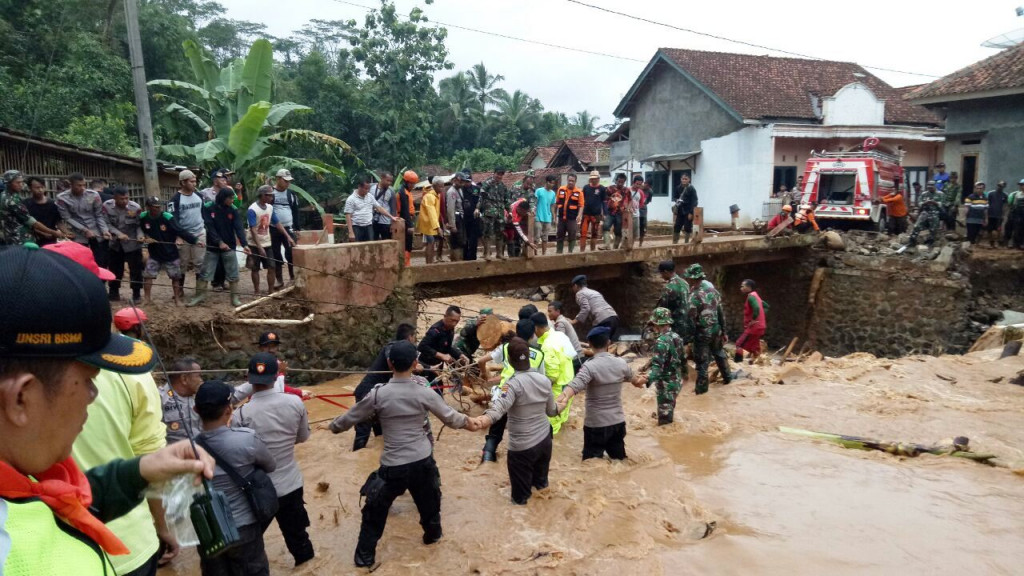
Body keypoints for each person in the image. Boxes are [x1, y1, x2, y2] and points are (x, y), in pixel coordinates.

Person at [0, 245, 214, 576]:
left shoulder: (23, 478)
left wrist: (140, 471)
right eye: (88, 380)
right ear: (21, 399)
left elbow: (51, 505)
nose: (93, 395)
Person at [60, 251, 169, 576]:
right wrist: (162, 527)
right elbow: (149, 458)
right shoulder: (132, 372)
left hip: (59, 548)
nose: (90, 393)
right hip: (130, 541)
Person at [330, 341, 474, 568]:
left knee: (374, 511)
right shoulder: (424, 392)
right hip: (422, 462)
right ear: (416, 363)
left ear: (389, 363)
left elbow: (349, 418)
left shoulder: (378, 394)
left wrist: (333, 426)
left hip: (393, 466)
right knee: (430, 505)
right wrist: (472, 422)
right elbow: (452, 418)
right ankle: (433, 538)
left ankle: (364, 557)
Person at [232, 353, 314, 568]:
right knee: (299, 539)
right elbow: (303, 437)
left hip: (260, 490)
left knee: (252, 543)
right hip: (291, 483)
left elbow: (240, 454)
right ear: (276, 377)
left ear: (248, 378)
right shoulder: (295, 402)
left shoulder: (241, 414)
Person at [194, 379, 275, 576]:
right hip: (244, 525)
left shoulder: (186, 448)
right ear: (229, 410)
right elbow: (270, 465)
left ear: (196, 410)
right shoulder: (247, 438)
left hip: (207, 529)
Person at [468, 338, 557, 505]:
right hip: (545, 441)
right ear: (529, 358)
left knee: (520, 502)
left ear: (508, 360)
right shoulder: (544, 381)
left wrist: (482, 420)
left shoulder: (512, 385)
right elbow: (552, 411)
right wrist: (565, 399)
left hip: (522, 448)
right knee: (542, 488)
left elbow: (498, 410)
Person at [555, 327, 639, 460]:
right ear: (609, 343)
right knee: (619, 461)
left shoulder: (590, 366)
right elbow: (636, 380)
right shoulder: (621, 363)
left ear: (589, 345)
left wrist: (563, 397)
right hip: (617, 423)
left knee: (591, 463)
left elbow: (576, 384)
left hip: (596, 425)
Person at [478, 320, 546, 463]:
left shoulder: (505, 347)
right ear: (533, 334)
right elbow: (541, 379)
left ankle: (487, 458)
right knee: (526, 433)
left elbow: (481, 360)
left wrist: (485, 375)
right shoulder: (539, 354)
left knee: (495, 432)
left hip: (504, 394)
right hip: (526, 399)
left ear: (516, 332)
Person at [351, 323, 418, 451]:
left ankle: (374, 461)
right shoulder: (392, 348)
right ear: (410, 337)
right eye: (414, 337)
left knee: (381, 433)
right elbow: (392, 359)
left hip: (380, 394)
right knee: (363, 433)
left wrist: (429, 368)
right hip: (368, 393)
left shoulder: (401, 351)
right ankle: (357, 457)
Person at [190, 188, 252, 307]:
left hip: (229, 247)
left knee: (233, 272)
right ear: (223, 198)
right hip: (213, 246)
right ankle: (199, 296)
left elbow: (238, 227)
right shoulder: (208, 207)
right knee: (205, 272)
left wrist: (245, 244)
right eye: (230, 198)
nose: (232, 200)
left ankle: (234, 298)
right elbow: (209, 226)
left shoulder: (233, 209)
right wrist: (219, 242)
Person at [140, 196, 199, 305]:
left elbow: (180, 230)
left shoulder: (167, 217)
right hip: (154, 252)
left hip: (170, 252)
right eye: (154, 207)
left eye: (159, 206)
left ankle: (177, 299)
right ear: (148, 207)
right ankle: (147, 299)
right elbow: (141, 230)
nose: (157, 209)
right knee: (148, 275)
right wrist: (145, 237)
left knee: (175, 277)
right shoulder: (143, 217)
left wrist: (195, 240)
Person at [684, 264, 732, 395]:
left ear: (692, 279)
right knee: (719, 354)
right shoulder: (713, 291)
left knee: (702, 363)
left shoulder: (693, 296)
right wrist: (724, 331)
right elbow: (721, 312)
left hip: (702, 333)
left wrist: (688, 338)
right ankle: (729, 379)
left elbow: (690, 320)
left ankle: (702, 392)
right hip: (716, 330)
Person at [531, 312, 575, 434]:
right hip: (569, 381)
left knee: (551, 424)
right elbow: (572, 355)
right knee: (562, 416)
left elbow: (552, 376)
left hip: (558, 387)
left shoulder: (547, 345)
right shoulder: (560, 335)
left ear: (536, 328)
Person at [643, 307, 687, 425]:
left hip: (666, 385)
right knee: (670, 410)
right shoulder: (677, 337)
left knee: (664, 425)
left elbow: (657, 368)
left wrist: (647, 380)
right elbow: (683, 359)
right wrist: (685, 374)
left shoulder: (661, 341)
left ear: (657, 324)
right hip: (676, 382)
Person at [56, 172, 110, 265]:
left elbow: (99, 215)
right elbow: (67, 218)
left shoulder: (94, 195)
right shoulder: (62, 198)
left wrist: (104, 230)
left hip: (96, 231)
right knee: (80, 261)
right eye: (79, 185)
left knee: (101, 261)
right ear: (71, 185)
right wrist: (84, 230)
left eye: (84, 185)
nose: (82, 188)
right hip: (78, 233)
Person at [247, 185, 293, 295]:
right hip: (254, 243)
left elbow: (277, 223)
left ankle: (271, 290)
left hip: (267, 242)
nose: (272, 198)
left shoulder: (270, 208)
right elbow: (253, 230)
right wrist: (259, 247)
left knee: (272, 266)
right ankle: (257, 291)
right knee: (255, 268)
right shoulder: (252, 210)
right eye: (269, 196)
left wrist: (288, 236)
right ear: (263, 195)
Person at [103, 187, 145, 302]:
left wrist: (140, 236)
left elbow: (139, 226)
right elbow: (106, 224)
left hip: (132, 244)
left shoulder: (135, 208)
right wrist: (118, 233)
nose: (125, 201)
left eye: (127, 198)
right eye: (121, 199)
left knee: (135, 270)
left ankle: (136, 294)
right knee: (115, 269)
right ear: (114, 198)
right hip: (115, 244)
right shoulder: (107, 206)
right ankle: (114, 292)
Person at [166, 170, 207, 287]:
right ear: (183, 182)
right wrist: (178, 236)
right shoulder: (175, 200)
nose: (194, 184)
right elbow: (173, 220)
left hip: (199, 233)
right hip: (183, 235)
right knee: (182, 263)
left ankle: (200, 290)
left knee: (200, 262)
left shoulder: (199, 196)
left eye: (195, 181)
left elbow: (204, 214)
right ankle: (180, 290)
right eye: (191, 181)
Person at [417, 305, 466, 385]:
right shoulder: (435, 330)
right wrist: (440, 355)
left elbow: (447, 347)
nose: (454, 324)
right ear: (445, 316)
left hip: (438, 367)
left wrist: (460, 354)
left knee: (438, 392)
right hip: (426, 367)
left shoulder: (450, 329)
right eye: (452, 320)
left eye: (457, 321)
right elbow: (422, 346)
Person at [159, 358, 204, 444]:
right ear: (184, 379)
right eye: (198, 376)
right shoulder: (160, 399)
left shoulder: (200, 396)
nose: (201, 380)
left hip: (200, 450)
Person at [270, 169, 301, 287]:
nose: (288, 183)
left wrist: (297, 228)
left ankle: (293, 278)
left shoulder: (291, 195)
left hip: (289, 228)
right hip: (273, 228)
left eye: (289, 181)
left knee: (291, 253)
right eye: (285, 181)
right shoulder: (270, 193)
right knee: (276, 254)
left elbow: (295, 212)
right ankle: (279, 280)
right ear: (278, 179)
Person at [347, 174, 394, 243]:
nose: (367, 190)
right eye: (365, 189)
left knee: (370, 247)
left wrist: (391, 217)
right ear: (359, 187)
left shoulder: (370, 196)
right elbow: (348, 216)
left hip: (368, 226)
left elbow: (379, 208)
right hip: (357, 227)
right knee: (357, 247)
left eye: (368, 189)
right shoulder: (351, 199)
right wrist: (351, 232)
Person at [570, 274, 619, 339]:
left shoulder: (580, 293)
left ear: (575, 286)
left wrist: (574, 321)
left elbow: (585, 308)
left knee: (594, 340)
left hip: (603, 320)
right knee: (606, 342)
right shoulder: (594, 292)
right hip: (614, 317)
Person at [22, 175, 66, 246]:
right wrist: (43, 233)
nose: (40, 190)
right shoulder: (26, 204)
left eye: (42, 187)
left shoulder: (53, 203)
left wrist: (65, 232)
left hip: (51, 240)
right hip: (33, 240)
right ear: (30, 188)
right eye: (37, 188)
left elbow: (58, 221)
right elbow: (28, 224)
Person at [477, 166, 509, 260]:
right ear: (494, 173)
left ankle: (499, 253)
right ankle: (487, 254)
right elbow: (481, 197)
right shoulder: (487, 183)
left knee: (500, 233)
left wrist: (509, 212)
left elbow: (506, 200)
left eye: (501, 175)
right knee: (488, 233)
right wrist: (477, 208)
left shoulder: (503, 186)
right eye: (498, 174)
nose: (499, 176)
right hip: (489, 212)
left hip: (500, 212)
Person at [656, 260, 692, 344]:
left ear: (665, 272)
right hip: (688, 323)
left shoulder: (670, 288)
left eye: (661, 273)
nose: (661, 276)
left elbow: (663, 309)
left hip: (676, 325)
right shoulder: (684, 283)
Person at [735, 279, 766, 364]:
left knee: (739, 344)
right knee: (754, 347)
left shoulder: (751, 296)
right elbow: (766, 306)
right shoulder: (757, 296)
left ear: (748, 287)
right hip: (760, 327)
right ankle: (757, 363)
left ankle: (738, 363)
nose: (741, 288)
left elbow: (756, 308)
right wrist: (761, 318)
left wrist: (754, 319)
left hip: (754, 327)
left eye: (742, 286)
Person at [547, 301, 583, 370]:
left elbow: (559, 343)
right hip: (577, 355)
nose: (548, 314)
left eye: (550, 311)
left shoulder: (560, 323)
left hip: (574, 358)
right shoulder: (563, 320)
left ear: (558, 311)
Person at [554, 174, 584, 254]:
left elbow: (581, 206)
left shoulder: (579, 192)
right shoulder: (561, 189)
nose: (570, 182)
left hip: (572, 218)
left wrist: (579, 215)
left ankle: (570, 252)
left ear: (575, 182)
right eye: (569, 180)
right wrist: (554, 216)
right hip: (561, 218)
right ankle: (559, 252)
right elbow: (556, 203)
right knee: (560, 235)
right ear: (567, 180)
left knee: (572, 235)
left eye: (572, 181)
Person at [907, 184, 942, 248]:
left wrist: (934, 202)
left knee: (933, 228)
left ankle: (930, 241)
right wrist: (924, 203)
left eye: (932, 186)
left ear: (935, 186)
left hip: (935, 212)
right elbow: (919, 203)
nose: (930, 188)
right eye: (929, 186)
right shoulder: (924, 194)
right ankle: (912, 240)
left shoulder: (940, 194)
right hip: (925, 212)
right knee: (917, 226)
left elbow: (942, 204)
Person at [416, 182, 442, 263]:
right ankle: (429, 263)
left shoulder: (435, 195)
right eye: (440, 186)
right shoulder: (430, 196)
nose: (442, 188)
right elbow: (432, 213)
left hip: (431, 223)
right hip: (428, 224)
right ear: (435, 186)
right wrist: (438, 227)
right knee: (431, 243)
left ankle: (429, 261)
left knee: (430, 243)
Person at [580, 170, 606, 252]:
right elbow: (581, 200)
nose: (593, 180)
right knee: (583, 233)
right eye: (592, 178)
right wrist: (579, 213)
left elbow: (604, 202)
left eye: (595, 178)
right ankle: (582, 251)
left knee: (594, 234)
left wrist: (604, 213)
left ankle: (592, 250)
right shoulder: (586, 187)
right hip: (586, 214)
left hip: (596, 215)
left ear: (598, 178)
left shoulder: (602, 188)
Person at [601, 173, 627, 250]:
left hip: (620, 214)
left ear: (624, 182)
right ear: (616, 181)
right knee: (605, 227)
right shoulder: (610, 189)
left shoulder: (626, 190)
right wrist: (604, 211)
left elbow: (629, 200)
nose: (620, 183)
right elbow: (605, 200)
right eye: (619, 181)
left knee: (618, 231)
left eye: (622, 182)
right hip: (610, 212)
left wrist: (627, 208)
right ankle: (607, 245)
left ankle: (615, 247)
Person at [397, 171, 418, 266]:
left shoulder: (407, 192)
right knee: (407, 244)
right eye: (412, 183)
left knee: (408, 244)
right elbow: (404, 210)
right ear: (407, 182)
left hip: (407, 219)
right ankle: (406, 264)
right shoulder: (403, 193)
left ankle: (407, 263)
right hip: (404, 221)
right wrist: (409, 225)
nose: (413, 186)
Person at [460, 171, 481, 261]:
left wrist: (478, 208)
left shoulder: (476, 189)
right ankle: (465, 257)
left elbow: (480, 200)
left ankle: (472, 257)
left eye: (468, 181)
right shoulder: (460, 190)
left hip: (474, 218)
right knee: (464, 238)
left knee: (473, 239)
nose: (467, 183)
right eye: (465, 181)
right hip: (464, 218)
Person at [444, 173, 465, 261]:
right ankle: (457, 261)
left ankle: (457, 259)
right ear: (455, 180)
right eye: (460, 181)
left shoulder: (459, 190)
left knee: (460, 241)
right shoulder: (451, 192)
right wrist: (453, 225)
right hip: (456, 219)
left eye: (463, 182)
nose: (462, 183)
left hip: (460, 218)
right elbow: (450, 209)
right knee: (456, 242)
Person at [672, 173, 698, 244]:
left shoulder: (691, 189)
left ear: (689, 180)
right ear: (681, 179)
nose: (684, 180)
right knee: (677, 226)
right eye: (683, 179)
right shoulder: (678, 188)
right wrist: (677, 200)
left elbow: (694, 202)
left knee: (687, 227)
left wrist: (691, 213)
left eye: (686, 179)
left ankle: (686, 242)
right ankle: (675, 242)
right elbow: (675, 197)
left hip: (688, 210)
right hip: (680, 210)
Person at [534, 174, 557, 255]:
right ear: (547, 182)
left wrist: (554, 217)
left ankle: (544, 253)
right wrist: (533, 213)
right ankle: (535, 253)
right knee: (537, 237)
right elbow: (535, 203)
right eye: (551, 183)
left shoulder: (553, 194)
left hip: (547, 217)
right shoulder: (539, 191)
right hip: (538, 217)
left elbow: (552, 206)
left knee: (545, 238)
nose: (552, 185)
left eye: (553, 183)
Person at [370, 172, 396, 240]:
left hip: (385, 221)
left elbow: (393, 208)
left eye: (390, 181)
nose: (389, 183)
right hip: (372, 220)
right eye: (387, 180)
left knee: (386, 241)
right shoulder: (371, 187)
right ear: (381, 178)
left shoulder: (391, 191)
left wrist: (392, 224)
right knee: (373, 241)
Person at [986, 181, 1009, 248]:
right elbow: (987, 204)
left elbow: (1005, 206)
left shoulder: (1005, 195)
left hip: (999, 215)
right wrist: (986, 214)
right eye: (999, 185)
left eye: (1001, 186)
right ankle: (991, 243)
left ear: (1004, 187)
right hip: (990, 214)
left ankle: (998, 243)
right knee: (989, 230)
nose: (999, 187)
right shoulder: (991, 193)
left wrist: (1004, 215)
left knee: (998, 230)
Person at [628, 175, 646, 248]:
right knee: (626, 232)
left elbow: (641, 203)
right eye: (637, 184)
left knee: (635, 233)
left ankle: (631, 246)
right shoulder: (627, 190)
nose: (638, 185)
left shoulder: (641, 192)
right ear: (633, 182)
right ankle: (625, 245)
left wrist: (635, 207)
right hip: (627, 215)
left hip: (636, 215)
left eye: (640, 184)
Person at [1007, 179, 1024, 249]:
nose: (1021, 186)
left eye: (1022, 185)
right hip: (1017, 214)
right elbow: (1012, 204)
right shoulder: (1016, 194)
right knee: (1016, 229)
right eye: (1021, 185)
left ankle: (1022, 243)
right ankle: (1016, 244)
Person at [639, 176, 654, 247]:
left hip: (643, 210)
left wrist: (644, 204)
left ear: (650, 186)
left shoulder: (650, 192)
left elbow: (648, 201)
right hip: (636, 209)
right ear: (644, 183)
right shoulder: (638, 188)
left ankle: (640, 243)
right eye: (645, 184)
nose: (646, 186)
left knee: (643, 226)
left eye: (648, 186)